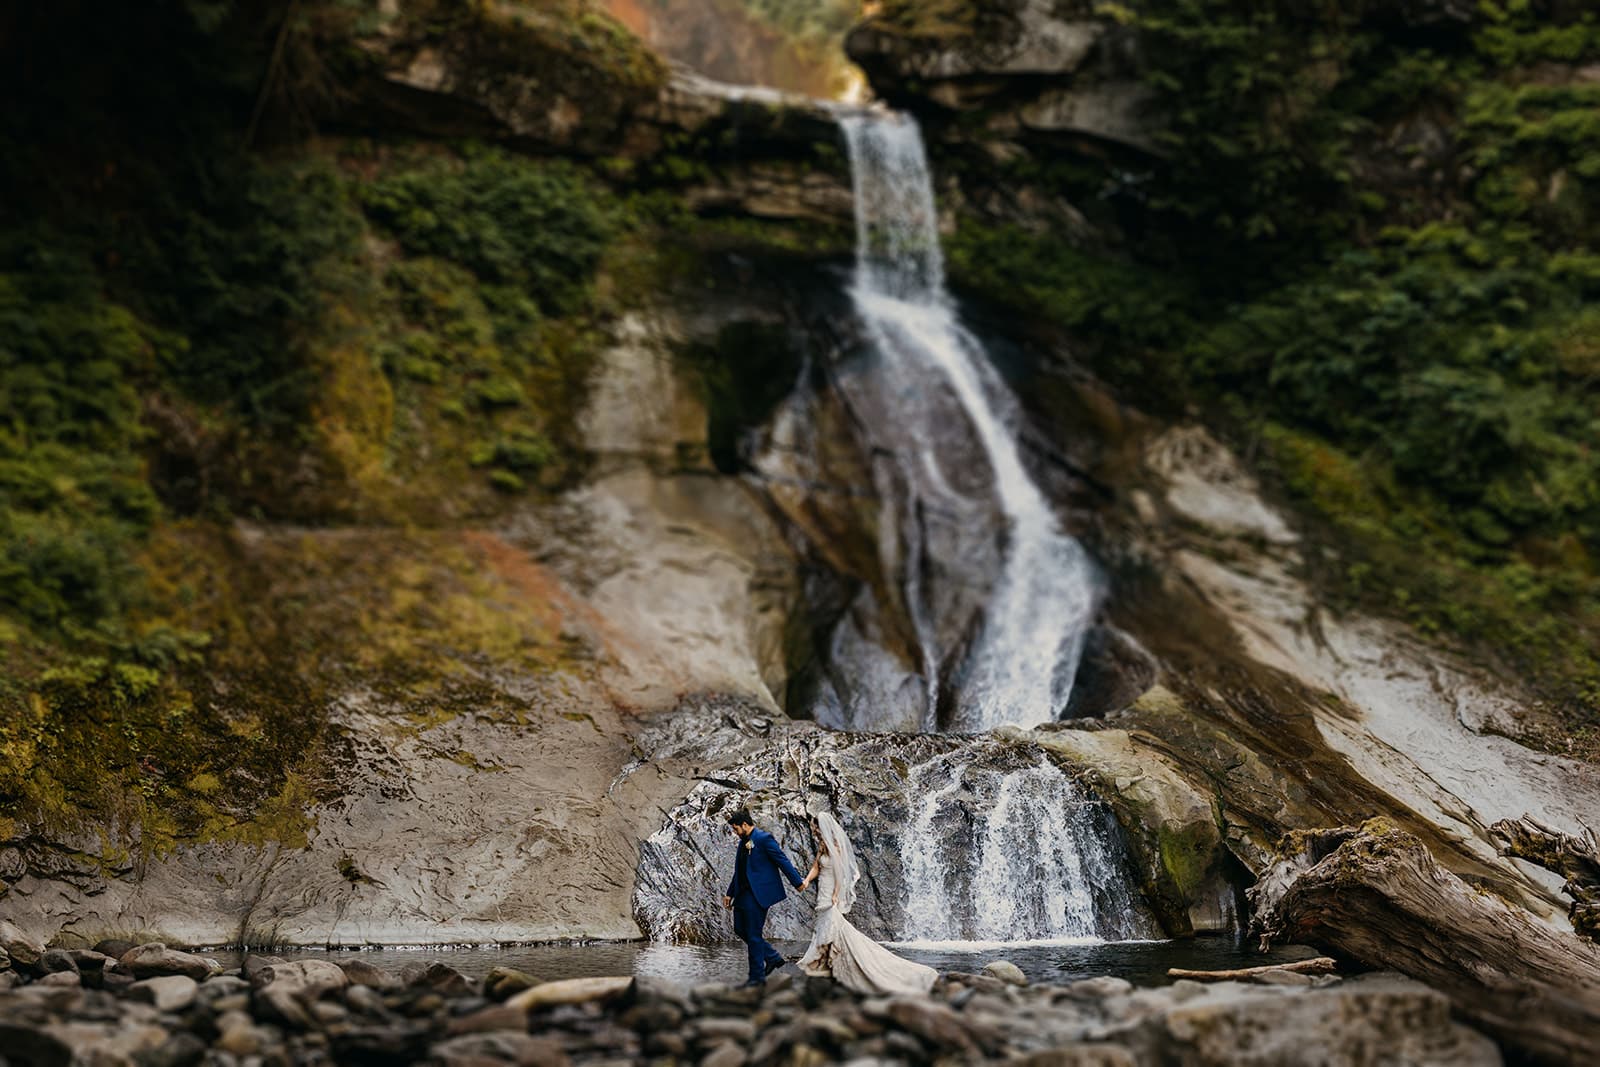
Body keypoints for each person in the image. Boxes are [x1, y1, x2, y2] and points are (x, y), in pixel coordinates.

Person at [797, 811, 937, 995]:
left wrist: (836, 894)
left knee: (834, 925)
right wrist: (806, 880)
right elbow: (817, 865)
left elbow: (840, 871)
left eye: (815, 826)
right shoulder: (823, 845)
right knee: (827, 923)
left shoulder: (836, 846)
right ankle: (825, 960)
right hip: (823, 887)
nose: (813, 829)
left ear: (822, 827)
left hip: (831, 890)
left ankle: (829, 959)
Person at [722, 807, 807, 988]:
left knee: (753, 935)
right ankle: (773, 957)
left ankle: (756, 979)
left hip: (758, 894)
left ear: (745, 825)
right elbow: (739, 870)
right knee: (739, 929)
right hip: (742, 893)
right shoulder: (743, 841)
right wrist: (730, 892)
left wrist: (797, 882)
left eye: (736, 828)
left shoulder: (764, 839)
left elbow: (782, 860)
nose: (735, 832)